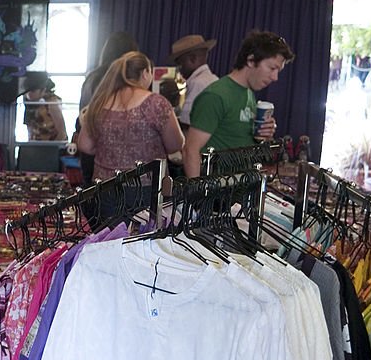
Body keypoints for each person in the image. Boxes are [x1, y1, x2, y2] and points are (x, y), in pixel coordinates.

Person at [76, 51, 184, 223]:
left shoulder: (100, 102)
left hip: (105, 189)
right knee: (144, 245)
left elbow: (84, 145)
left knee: (109, 243)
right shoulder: (156, 103)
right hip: (147, 190)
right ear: (145, 73)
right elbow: (175, 145)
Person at [184, 31, 295, 178]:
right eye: (272, 68)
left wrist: (262, 136)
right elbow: (190, 151)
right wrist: (198, 198)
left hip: (239, 188)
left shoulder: (248, 94)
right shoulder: (216, 95)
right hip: (217, 191)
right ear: (250, 60)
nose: (275, 78)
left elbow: (238, 138)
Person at [72, 31, 139, 184]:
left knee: (91, 193)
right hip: (112, 149)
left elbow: (83, 113)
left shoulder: (92, 77)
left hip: (89, 143)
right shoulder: (125, 81)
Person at [19, 72, 67, 172]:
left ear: (43, 89)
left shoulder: (52, 102)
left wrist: (52, 151)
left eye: (32, 91)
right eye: (27, 91)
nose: (29, 94)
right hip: (34, 147)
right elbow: (29, 127)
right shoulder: (28, 101)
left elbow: (62, 132)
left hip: (51, 148)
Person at [169, 34, 218, 128]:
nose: (179, 70)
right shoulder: (214, 79)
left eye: (180, 64)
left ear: (192, 59)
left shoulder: (197, 84)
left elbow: (186, 122)